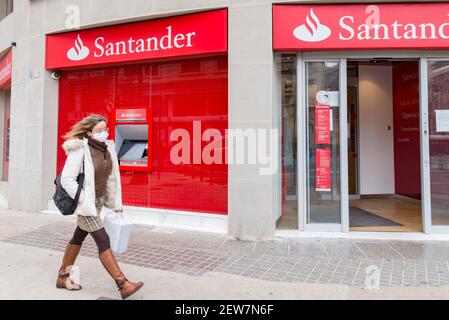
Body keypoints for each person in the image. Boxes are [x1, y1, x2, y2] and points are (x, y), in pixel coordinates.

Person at [56, 114, 144, 299]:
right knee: (103, 240)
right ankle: (123, 283)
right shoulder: (79, 149)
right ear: (89, 132)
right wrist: (82, 199)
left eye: (106, 129)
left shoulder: (107, 148)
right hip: (86, 204)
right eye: (99, 130)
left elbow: (112, 179)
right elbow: (66, 179)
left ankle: (63, 276)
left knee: (78, 237)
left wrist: (115, 204)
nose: (104, 133)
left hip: (98, 203)